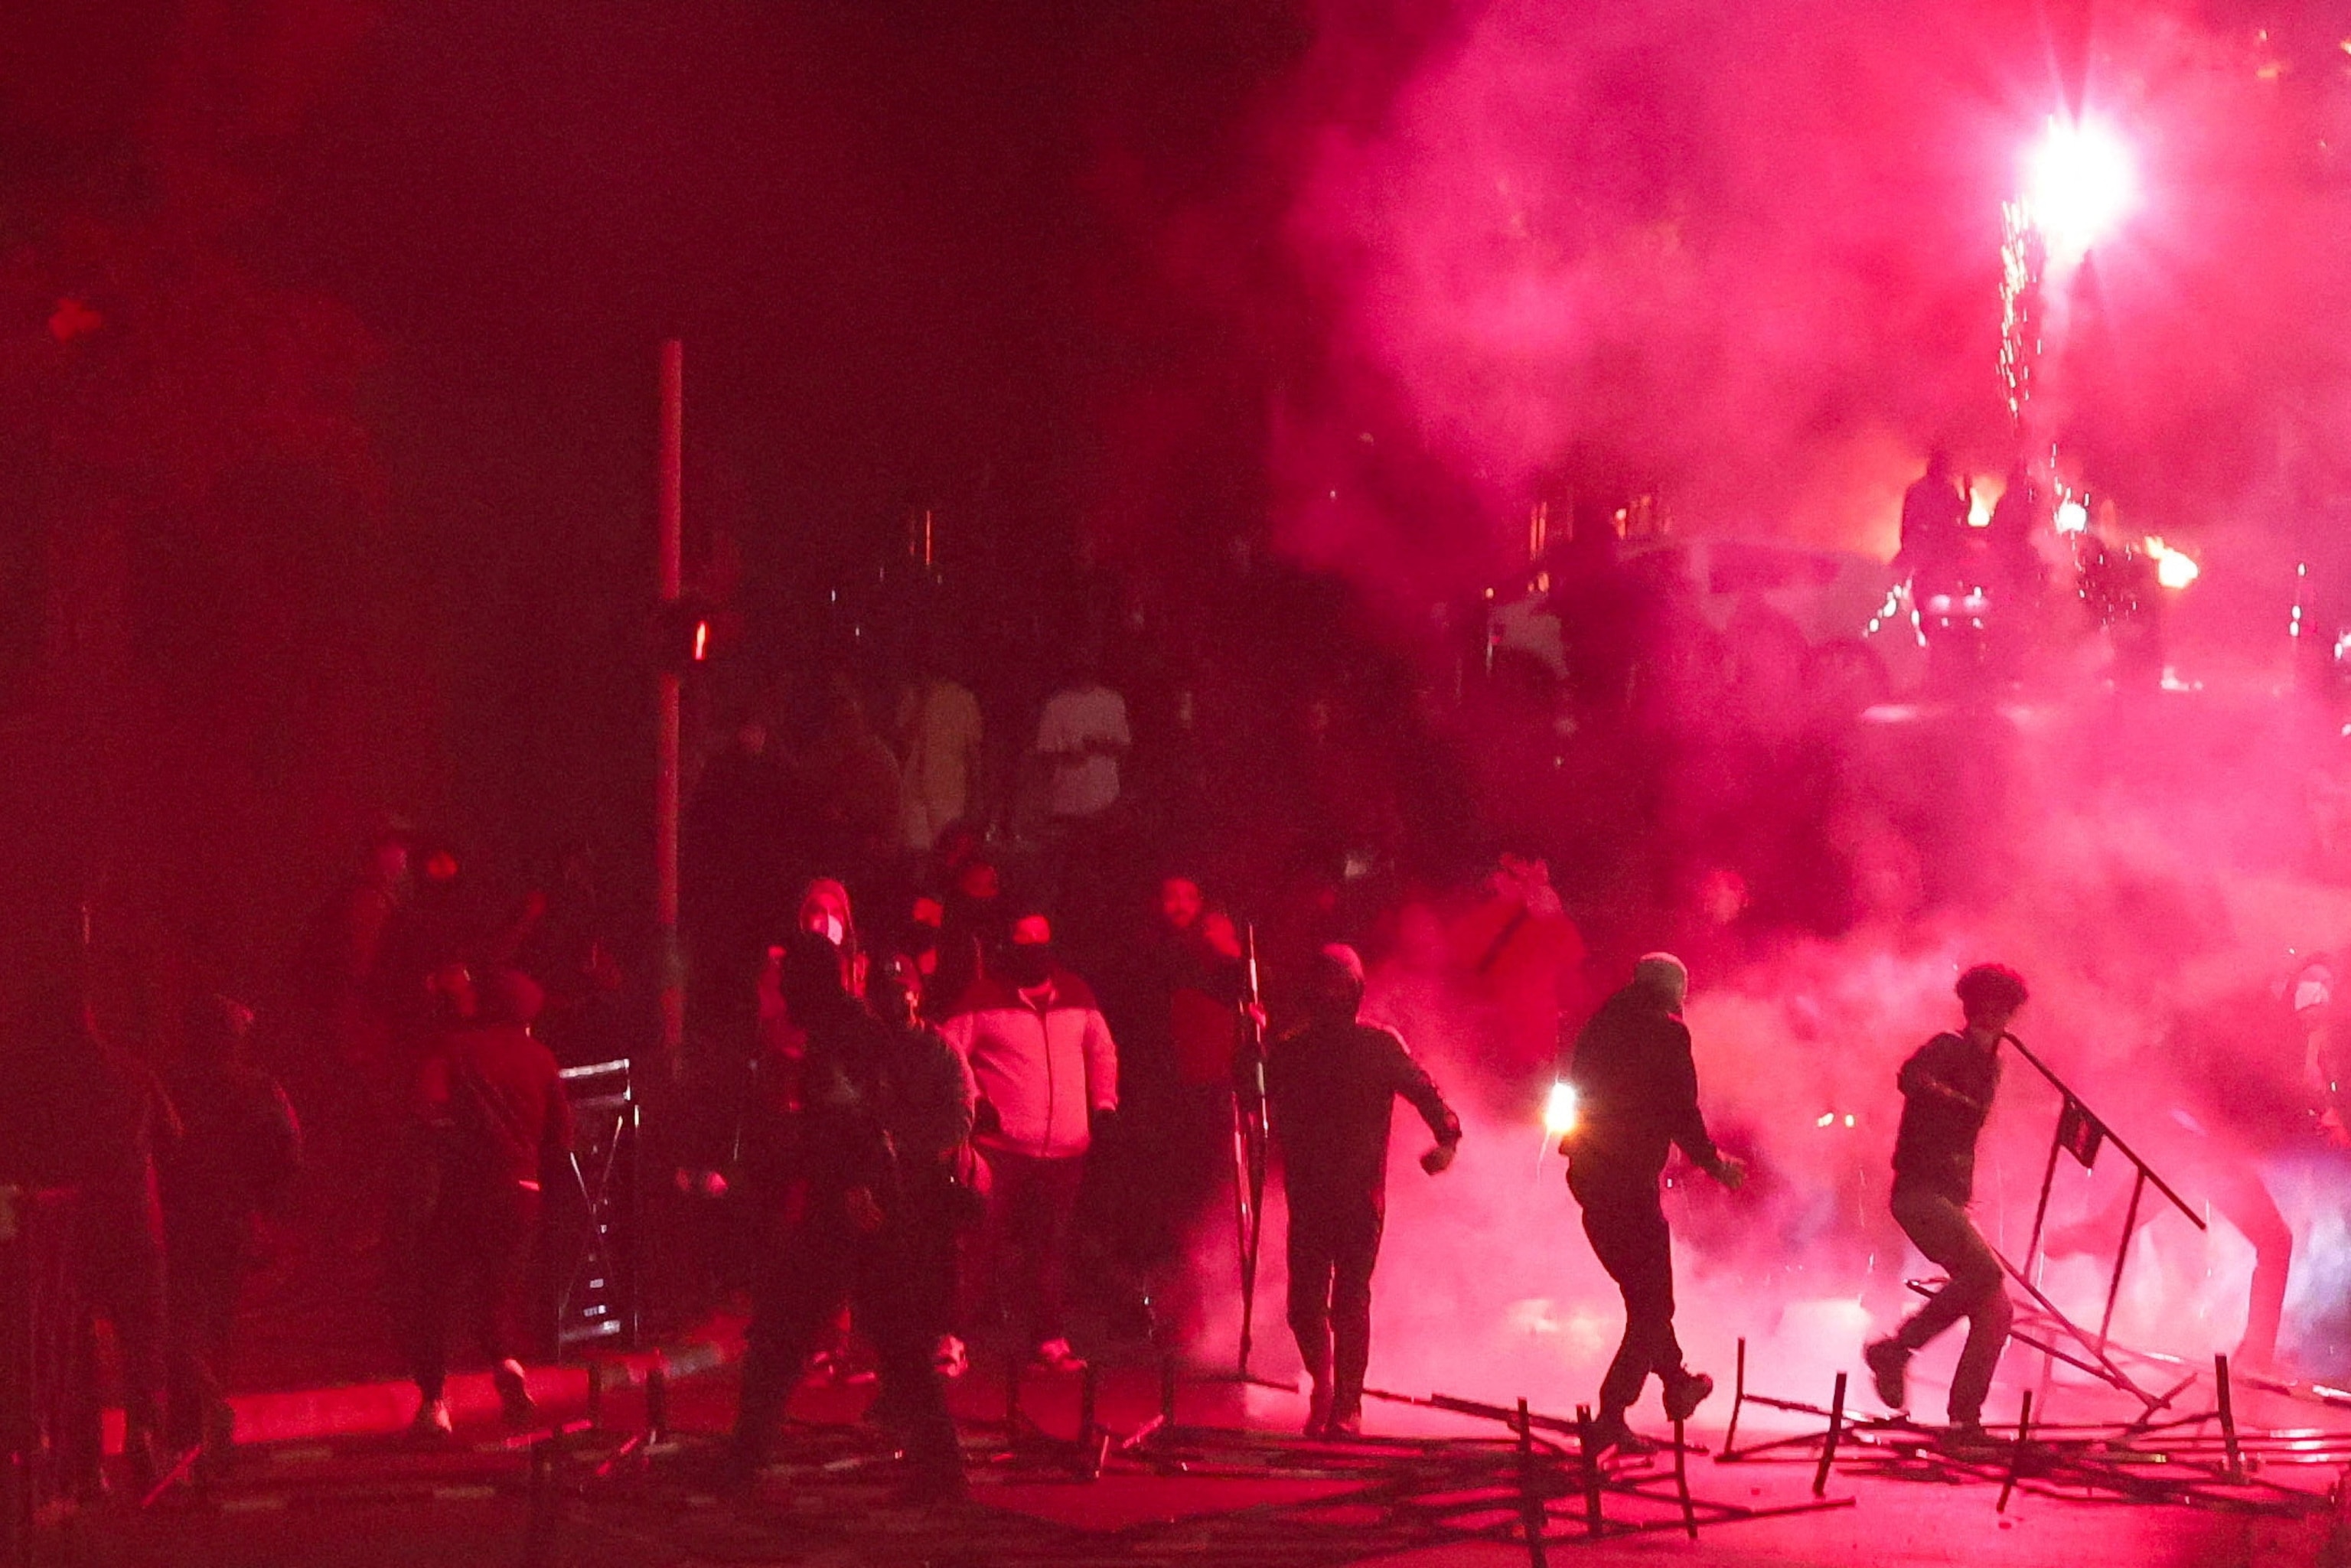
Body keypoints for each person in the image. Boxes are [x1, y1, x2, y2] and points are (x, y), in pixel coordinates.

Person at [726, 932, 964, 1502]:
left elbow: (856, 1117)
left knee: (788, 1334)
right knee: (891, 1340)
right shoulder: (846, 1029)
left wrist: (853, 1185)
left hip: (851, 1206)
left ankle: (743, 1462)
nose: (783, 995)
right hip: (852, 1202)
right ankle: (942, 1469)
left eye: (790, 983)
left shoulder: (842, 1035)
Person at [1267, 945, 1461, 1438]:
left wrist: (1448, 1137)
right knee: (1304, 1303)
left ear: (1355, 990)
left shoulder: (1378, 1046)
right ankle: (1325, 1384)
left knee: (1350, 1299)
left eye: (1339, 984)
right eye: (1323, 984)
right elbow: (1251, 1094)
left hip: (1359, 1197)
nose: (1331, 994)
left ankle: (1348, 1403)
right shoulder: (1290, 1049)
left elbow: (1427, 1093)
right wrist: (1249, 1043)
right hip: (1308, 1196)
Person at [1559, 954, 1746, 1454]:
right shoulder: (1666, 1031)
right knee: (1653, 1302)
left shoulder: (1601, 1025)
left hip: (1588, 1177)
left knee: (1641, 1294)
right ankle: (1612, 1412)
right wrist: (1715, 1163)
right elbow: (1680, 1108)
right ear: (1674, 990)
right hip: (1628, 1181)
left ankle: (1676, 1381)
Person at [938, 911, 1118, 1371]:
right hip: (1001, 1150)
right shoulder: (983, 997)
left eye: (1041, 941)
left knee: (1051, 1248)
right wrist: (973, 1101)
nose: (1034, 950)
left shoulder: (1077, 994)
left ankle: (1050, 1338)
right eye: (1025, 942)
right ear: (1009, 947)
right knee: (978, 1245)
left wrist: (1105, 1105)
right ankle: (952, 1338)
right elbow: (947, 1050)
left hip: (1066, 1148)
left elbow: (1102, 1051)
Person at [403, 970, 573, 1439]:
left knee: (434, 1293)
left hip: (464, 1188)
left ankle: (435, 1403)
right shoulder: (541, 1058)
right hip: (522, 1192)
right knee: (494, 1295)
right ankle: (510, 1370)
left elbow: (426, 1108)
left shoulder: (455, 1050)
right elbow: (562, 1137)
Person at [1864, 963, 2027, 1441]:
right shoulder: (1947, 1048)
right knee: (1984, 1275)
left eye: (2008, 1009)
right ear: (1977, 1007)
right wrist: (1950, 1097)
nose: (2002, 1016)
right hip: (1918, 1191)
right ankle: (1896, 1349)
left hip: (1949, 1196)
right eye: (1995, 1006)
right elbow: (1910, 1078)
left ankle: (1964, 1419)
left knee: (1996, 1310)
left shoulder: (1990, 1063)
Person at [161, 995, 302, 1462]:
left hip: (176, 1217)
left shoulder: (167, 1084)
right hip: (232, 1218)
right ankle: (210, 1414)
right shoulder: (260, 1087)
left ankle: (192, 1418)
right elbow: (287, 1150)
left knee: (178, 1320)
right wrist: (271, 1209)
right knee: (219, 1321)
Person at [895, 658, 986, 859]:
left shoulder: (962, 699)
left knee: (947, 854)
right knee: (917, 854)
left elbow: (973, 752)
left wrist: (977, 795)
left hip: (948, 791)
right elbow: (903, 741)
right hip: (915, 793)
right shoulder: (913, 697)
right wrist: (920, 705)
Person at [1035, 661, 1130, 826]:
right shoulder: (1056, 705)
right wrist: (1067, 757)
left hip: (1105, 800)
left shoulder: (1113, 701)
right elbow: (1045, 753)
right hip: (1067, 803)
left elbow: (1124, 747)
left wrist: (1102, 746)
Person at [1896, 450, 1970, 585]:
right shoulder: (1944, 490)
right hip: (1932, 548)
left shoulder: (1919, 489)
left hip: (1930, 548)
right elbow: (1961, 514)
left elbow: (1906, 523)